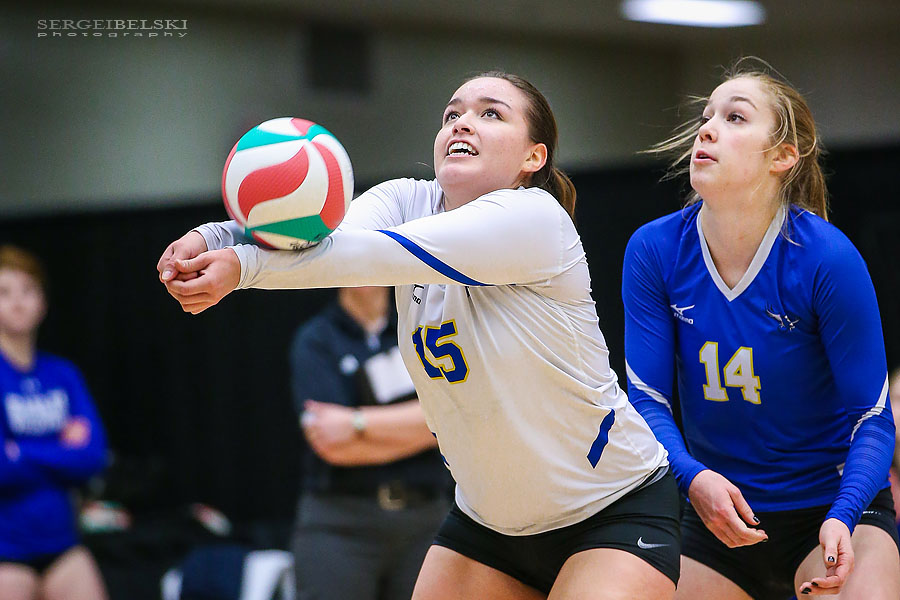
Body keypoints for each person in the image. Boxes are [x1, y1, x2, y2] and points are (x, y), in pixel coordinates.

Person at [157, 70, 682, 599]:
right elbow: (319, 240)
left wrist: (241, 268)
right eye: (453, 113)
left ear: (533, 158)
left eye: (491, 113)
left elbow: (365, 256)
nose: (464, 123)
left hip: (609, 508)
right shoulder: (406, 200)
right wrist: (212, 236)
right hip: (489, 524)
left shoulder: (535, 217)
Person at [622, 59, 900, 599]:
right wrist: (692, 478)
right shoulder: (654, 250)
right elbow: (648, 398)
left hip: (835, 507)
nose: (707, 129)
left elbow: (872, 418)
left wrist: (844, 515)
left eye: (735, 118)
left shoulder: (827, 259)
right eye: (707, 116)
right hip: (713, 514)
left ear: (783, 157)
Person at [290, 285, 451, 599]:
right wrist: (424, 428)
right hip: (342, 522)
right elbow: (331, 444)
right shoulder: (317, 340)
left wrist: (355, 423)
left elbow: (453, 415)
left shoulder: (420, 330)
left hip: (425, 519)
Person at [0, 245, 109, 600]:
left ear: (43, 301)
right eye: (4, 292)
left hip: (63, 545)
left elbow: (93, 456)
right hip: (7, 550)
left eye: (28, 290)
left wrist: (21, 450)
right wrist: (60, 446)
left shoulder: (63, 373)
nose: (17, 302)